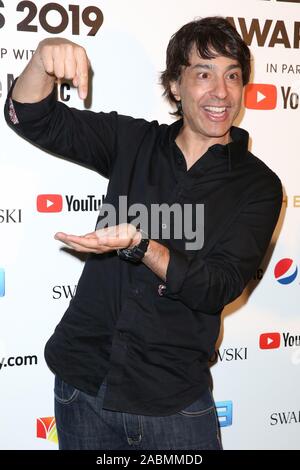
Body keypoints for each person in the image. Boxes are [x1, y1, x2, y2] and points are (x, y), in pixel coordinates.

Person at [4, 16, 282, 450]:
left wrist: (141, 245)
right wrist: (41, 61)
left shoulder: (259, 186)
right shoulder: (133, 141)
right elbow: (34, 118)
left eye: (232, 76)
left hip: (172, 402)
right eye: (203, 74)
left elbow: (218, 287)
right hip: (82, 384)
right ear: (175, 85)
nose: (221, 92)